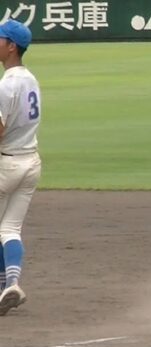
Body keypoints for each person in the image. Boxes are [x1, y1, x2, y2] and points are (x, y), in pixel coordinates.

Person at [0, 20, 41, 316]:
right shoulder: (31, 79)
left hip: (7, 164)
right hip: (31, 162)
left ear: (11, 46)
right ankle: (10, 285)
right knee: (9, 228)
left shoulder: (6, 85)